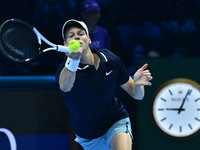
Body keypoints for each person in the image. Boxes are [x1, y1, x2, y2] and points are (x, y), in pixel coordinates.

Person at [55, 19, 152, 150]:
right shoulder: (65, 71)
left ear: (89, 39)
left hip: (115, 121)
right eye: (71, 36)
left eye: (81, 33)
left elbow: (136, 94)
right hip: (88, 137)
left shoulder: (110, 60)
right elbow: (65, 86)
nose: (77, 36)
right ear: (66, 44)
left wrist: (138, 85)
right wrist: (73, 61)